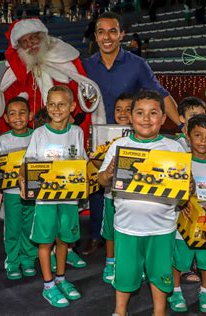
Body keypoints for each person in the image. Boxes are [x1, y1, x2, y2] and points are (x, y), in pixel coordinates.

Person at [82, 12, 182, 253]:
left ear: (122, 34)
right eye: (101, 32)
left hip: (129, 138)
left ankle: (126, 235)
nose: (107, 37)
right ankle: (97, 235)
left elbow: (160, 93)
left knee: (127, 186)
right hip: (95, 137)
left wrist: (180, 124)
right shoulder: (84, 66)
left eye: (112, 31)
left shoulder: (137, 64)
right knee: (99, 184)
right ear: (95, 36)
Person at [98, 90, 186, 316]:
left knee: (160, 272)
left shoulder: (175, 148)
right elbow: (101, 180)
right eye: (140, 112)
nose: (146, 119)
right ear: (131, 116)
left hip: (162, 227)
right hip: (126, 226)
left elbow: (184, 193)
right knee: (125, 272)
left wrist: (190, 186)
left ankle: (159, 311)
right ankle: (120, 310)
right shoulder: (119, 146)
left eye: (153, 113)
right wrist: (108, 173)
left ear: (163, 118)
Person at [19, 85, 87, 308]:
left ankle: (61, 278)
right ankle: (48, 285)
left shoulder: (76, 132)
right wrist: (23, 181)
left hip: (68, 199)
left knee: (64, 240)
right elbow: (27, 164)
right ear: (46, 106)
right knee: (45, 241)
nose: (56, 108)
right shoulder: (39, 133)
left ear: (72, 107)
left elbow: (82, 163)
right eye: (52, 104)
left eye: (62, 104)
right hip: (45, 200)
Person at [0, 18, 105, 143]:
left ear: (42, 36)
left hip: (66, 132)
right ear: (19, 47)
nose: (30, 44)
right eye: (24, 42)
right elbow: (5, 108)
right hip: (28, 138)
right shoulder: (13, 73)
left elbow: (83, 97)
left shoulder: (66, 59)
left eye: (33, 37)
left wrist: (76, 118)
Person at [168, 113, 206, 314]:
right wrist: (181, 203)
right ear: (188, 136)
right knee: (179, 260)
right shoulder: (180, 161)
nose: (203, 141)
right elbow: (172, 191)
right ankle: (176, 291)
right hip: (182, 225)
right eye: (198, 135)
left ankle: (205, 291)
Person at [0, 96, 38, 280]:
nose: (17, 117)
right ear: (5, 118)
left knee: (29, 226)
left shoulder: (36, 136)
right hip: (12, 193)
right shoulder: (4, 139)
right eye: (12, 113)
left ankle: (28, 259)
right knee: (12, 228)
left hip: (32, 193)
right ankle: (12, 261)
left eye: (22, 113)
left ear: (30, 115)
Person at [96, 92, 132, 283]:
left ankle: (130, 262)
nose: (123, 113)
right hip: (111, 194)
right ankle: (110, 262)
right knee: (110, 231)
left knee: (129, 232)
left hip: (133, 198)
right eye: (119, 110)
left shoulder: (139, 136)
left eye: (128, 109)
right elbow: (99, 168)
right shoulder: (107, 136)